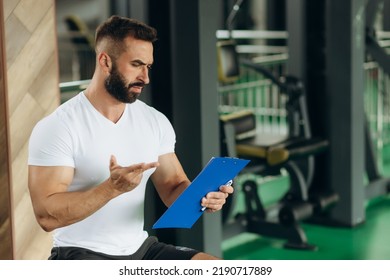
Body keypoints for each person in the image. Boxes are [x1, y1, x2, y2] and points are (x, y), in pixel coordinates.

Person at [27, 15, 233, 260]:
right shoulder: (58, 127)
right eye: (136, 64)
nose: (145, 78)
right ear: (105, 61)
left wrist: (203, 198)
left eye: (148, 66)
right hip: (81, 253)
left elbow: (173, 186)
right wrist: (111, 189)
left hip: (141, 249)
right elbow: (46, 216)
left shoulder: (154, 121)